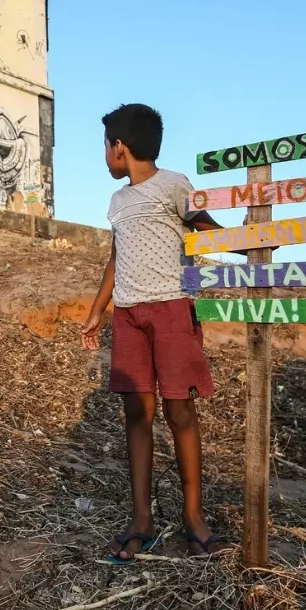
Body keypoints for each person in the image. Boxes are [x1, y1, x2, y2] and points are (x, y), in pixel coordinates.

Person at [80, 103, 234, 562]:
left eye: (106, 147)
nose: (106, 155)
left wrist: (250, 242)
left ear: (120, 147)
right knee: (137, 415)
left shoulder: (174, 185)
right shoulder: (118, 202)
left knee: (180, 412)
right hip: (128, 316)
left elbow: (207, 230)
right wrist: (97, 311)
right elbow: (115, 257)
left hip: (172, 310)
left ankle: (194, 518)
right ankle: (141, 519)